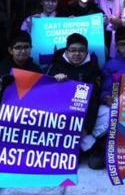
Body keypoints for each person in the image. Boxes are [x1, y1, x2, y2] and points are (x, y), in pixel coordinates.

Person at [48, 33, 106, 169]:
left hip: (84, 114)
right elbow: (46, 95)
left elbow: (94, 100)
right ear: (66, 51)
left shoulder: (92, 68)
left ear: (86, 52)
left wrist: (86, 127)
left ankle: (85, 143)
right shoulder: (57, 66)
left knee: (108, 112)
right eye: (72, 50)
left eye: (81, 51)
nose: (76, 54)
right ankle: (86, 147)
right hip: (63, 116)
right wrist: (54, 81)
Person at [0, 31, 43, 122]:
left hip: (29, 118)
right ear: (10, 50)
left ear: (31, 48)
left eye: (26, 47)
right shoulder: (2, 70)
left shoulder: (36, 70)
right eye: (18, 48)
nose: (22, 51)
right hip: (7, 118)